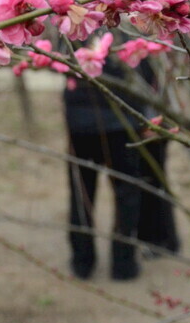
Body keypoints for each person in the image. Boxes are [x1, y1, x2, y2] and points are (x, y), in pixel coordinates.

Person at [64, 56, 155, 281]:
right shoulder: (129, 25)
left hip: (82, 123)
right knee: (126, 194)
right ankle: (123, 263)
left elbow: (58, 63)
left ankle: (82, 261)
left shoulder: (66, 22)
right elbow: (146, 72)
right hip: (121, 122)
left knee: (81, 192)